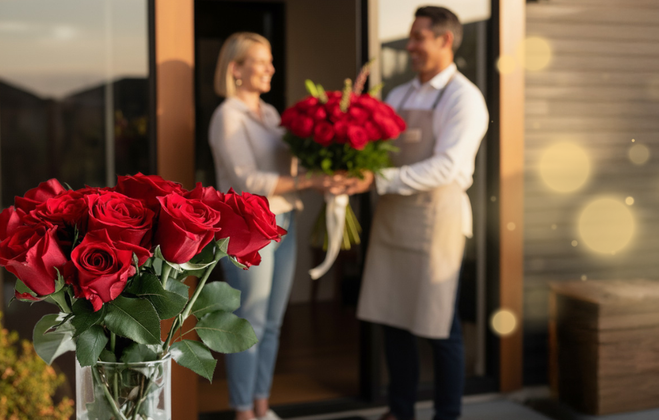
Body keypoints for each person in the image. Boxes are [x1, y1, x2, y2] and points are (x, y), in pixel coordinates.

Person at [348, 6, 489, 420]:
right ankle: (400, 411)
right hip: (394, 220)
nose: (409, 47)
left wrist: (377, 180)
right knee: (392, 319)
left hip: (436, 223)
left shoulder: (464, 98)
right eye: (409, 38)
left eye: (418, 38)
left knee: (439, 327)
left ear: (445, 41)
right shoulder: (399, 95)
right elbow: (378, 152)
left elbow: (449, 166)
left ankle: (448, 415)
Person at [208, 32, 341, 420]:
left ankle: (262, 405)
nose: (271, 68)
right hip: (251, 227)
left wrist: (328, 162)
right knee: (249, 322)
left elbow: (289, 166)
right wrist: (310, 182)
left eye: (270, 61)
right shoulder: (227, 117)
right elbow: (248, 181)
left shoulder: (269, 114)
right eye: (261, 61)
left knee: (272, 322)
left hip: (284, 220)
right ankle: (242, 411)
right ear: (236, 69)